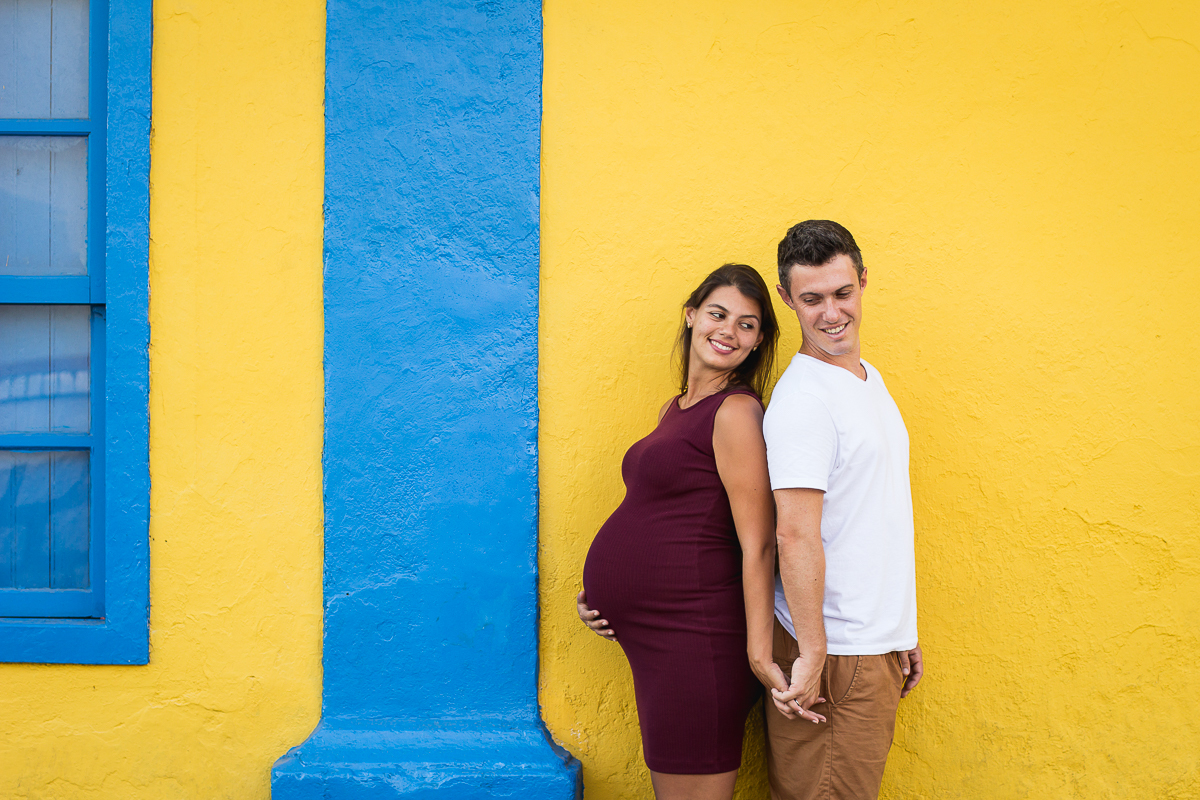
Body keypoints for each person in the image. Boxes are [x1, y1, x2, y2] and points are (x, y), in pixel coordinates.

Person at [576, 263, 789, 800]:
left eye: (747, 324)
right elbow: (663, 513)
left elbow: (758, 541)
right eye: (718, 314)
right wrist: (603, 595)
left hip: (696, 640)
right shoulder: (679, 408)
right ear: (692, 316)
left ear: (759, 339)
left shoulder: (736, 412)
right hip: (660, 638)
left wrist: (759, 654)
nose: (729, 331)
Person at [763, 220, 924, 800]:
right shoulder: (805, 402)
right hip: (833, 658)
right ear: (788, 300)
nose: (831, 314)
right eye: (811, 300)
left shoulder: (864, 380)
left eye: (841, 293)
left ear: (862, 280)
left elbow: (870, 517)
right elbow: (796, 534)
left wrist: (897, 625)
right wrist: (813, 653)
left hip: (866, 642)